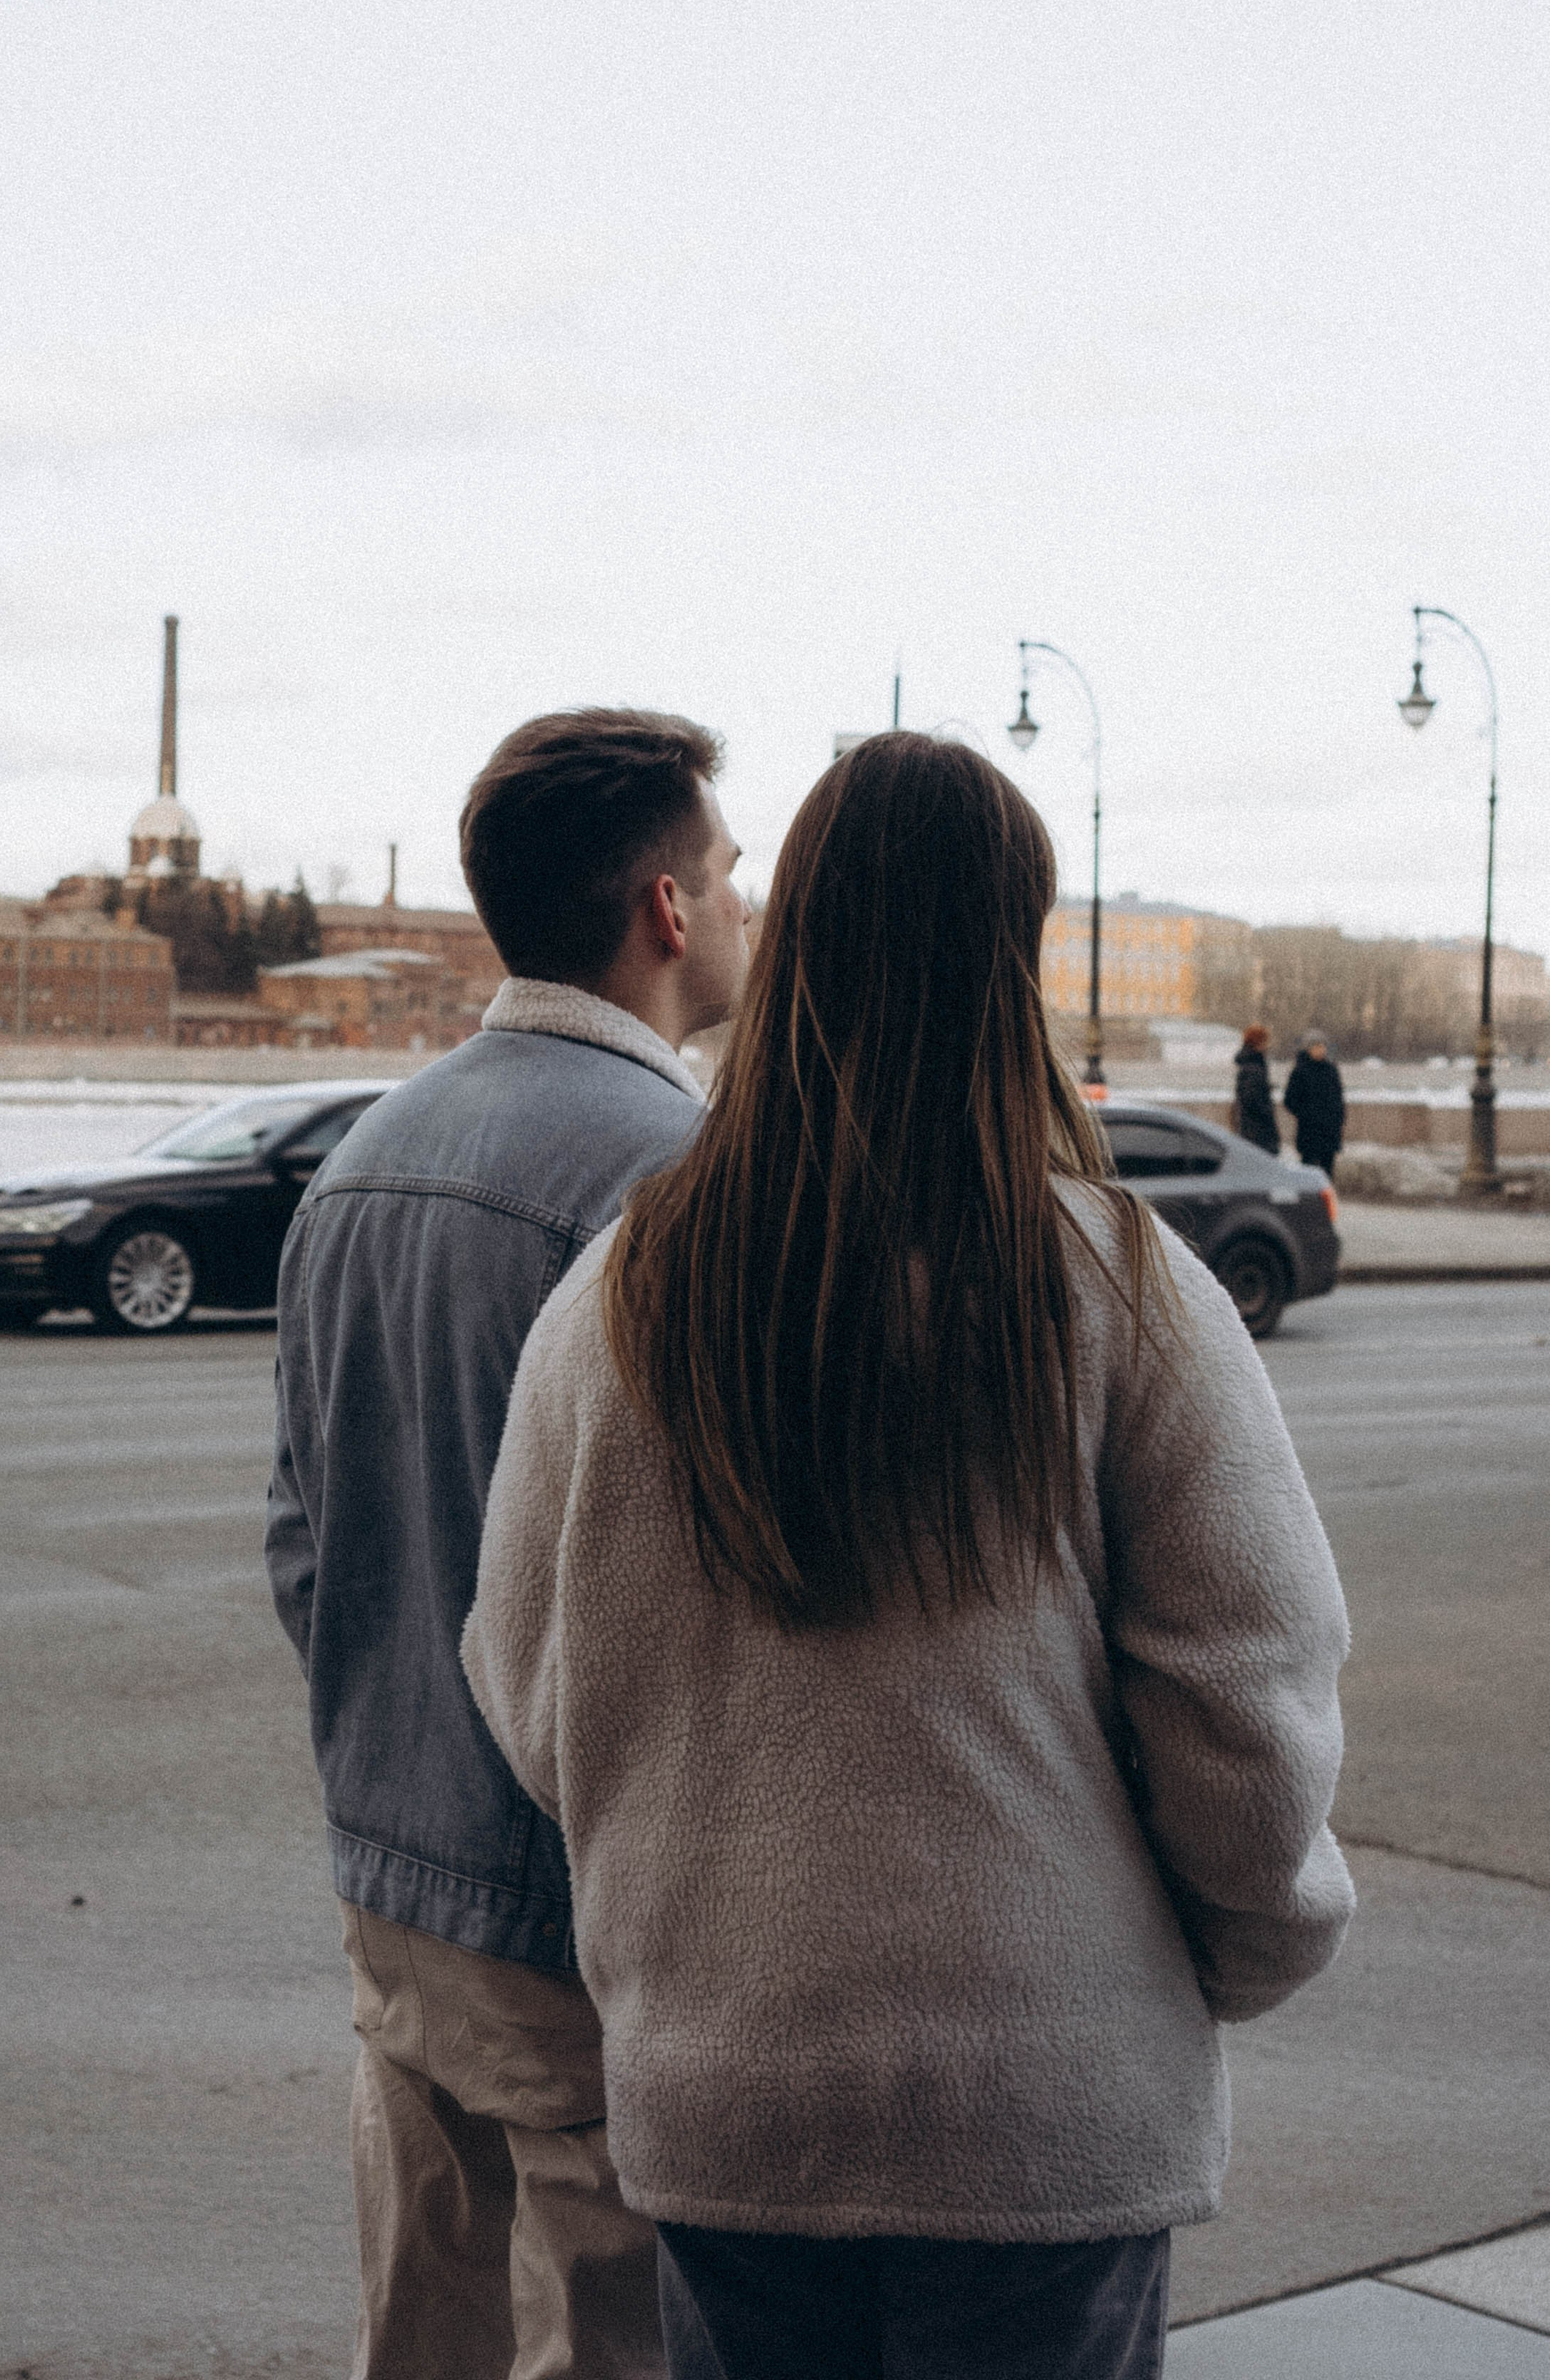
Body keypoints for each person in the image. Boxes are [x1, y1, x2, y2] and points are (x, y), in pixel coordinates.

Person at [463, 733, 1353, 2380]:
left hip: (727, 2101)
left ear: (788, 935)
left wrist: (689, 1929)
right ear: (1010, 955)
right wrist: (1222, 1959)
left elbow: (523, 1685)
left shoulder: (618, 1293)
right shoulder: (1118, 1283)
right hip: (1042, 2111)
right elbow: (1246, 1713)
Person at [267, 707, 751, 2380]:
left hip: (390, 1873)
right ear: (668, 909)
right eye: (732, 870)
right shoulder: (683, 1183)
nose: (746, 906)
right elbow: (717, 1589)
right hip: (578, 1908)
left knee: (419, 2330)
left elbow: (302, 1543)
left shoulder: (359, 1160)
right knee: (605, 2342)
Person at [1284, 1035, 1346, 1174]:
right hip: (1309, 1132)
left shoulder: (1331, 1070)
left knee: (1327, 1172)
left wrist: (1339, 1120)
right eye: (1316, 1047)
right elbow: (1289, 1100)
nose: (1321, 1050)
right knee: (1308, 1172)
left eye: (1322, 1046)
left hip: (1329, 1131)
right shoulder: (1300, 1071)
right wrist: (1307, 1115)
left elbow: (1338, 1099)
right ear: (1309, 1049)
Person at [1233, 1022, 1280, 1154]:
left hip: (1252, 1131)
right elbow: (1252, 1099)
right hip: (1258, 1133)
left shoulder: (1250, 1065)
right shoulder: (1254, 1068)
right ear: (1258, 1043)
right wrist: (1266, 1111)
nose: (1267, 1045)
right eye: (1265, 1041)